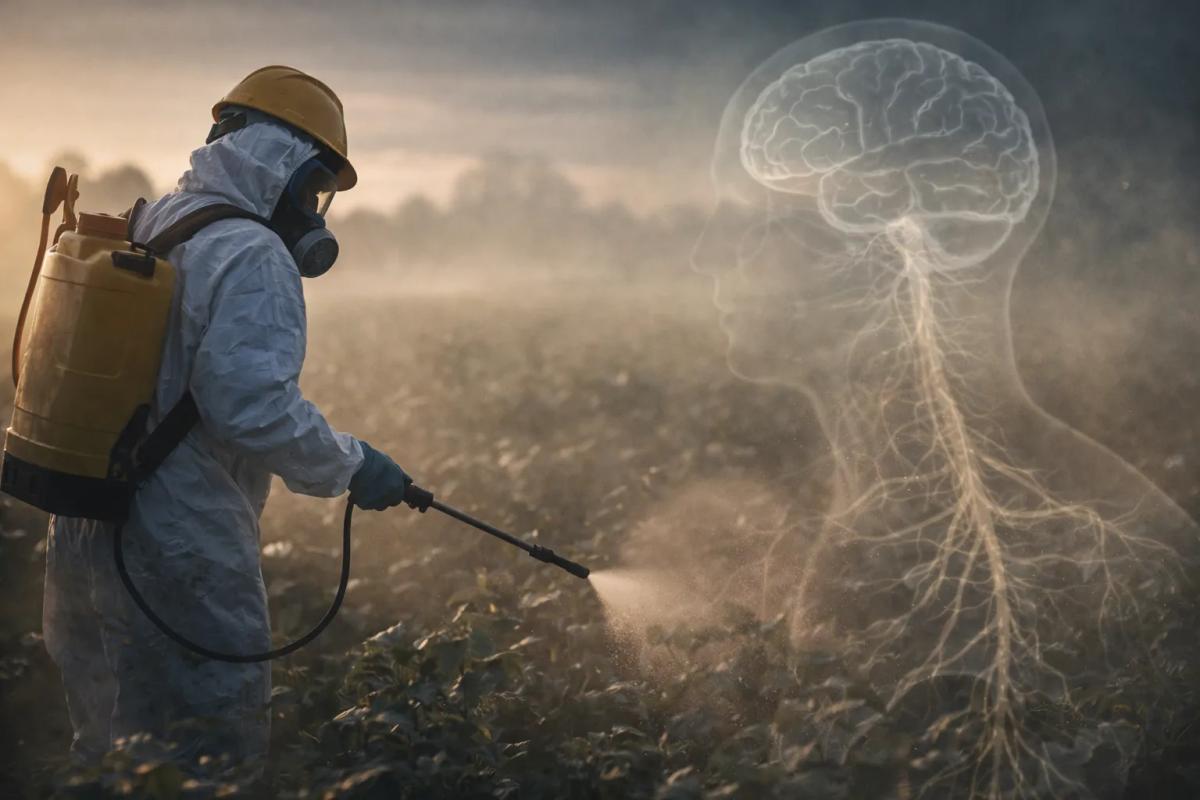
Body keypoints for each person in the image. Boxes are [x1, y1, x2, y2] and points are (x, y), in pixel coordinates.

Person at [42, 66, 413, 764]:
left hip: (86, 518)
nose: (315, 206)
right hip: (180, 537)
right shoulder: (252, 253)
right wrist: (353, 465)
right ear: (280, 161)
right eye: (315, 185)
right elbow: (250, 407)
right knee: (209, 752)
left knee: (105, 752)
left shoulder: (154, 221)